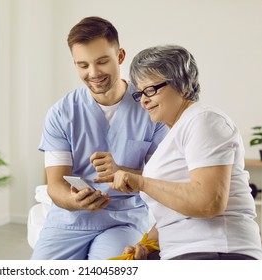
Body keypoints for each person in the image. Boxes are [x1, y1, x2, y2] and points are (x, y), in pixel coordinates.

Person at [95, 45, 262, 260]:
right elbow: (174, 215)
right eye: (139, 93)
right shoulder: (173, 135)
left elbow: (208, 202)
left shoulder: (204, 120)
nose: (144, 100)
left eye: (151, 89)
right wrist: (146, 245)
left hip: (217, 252)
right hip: (187, 252)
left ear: (181, 85)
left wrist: (141, 182)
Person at [31, 16, 168, 260]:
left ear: (120, 56)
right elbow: (55, 185)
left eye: (102, 62)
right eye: (82, 65)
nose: (93, 73)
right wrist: (75, 200)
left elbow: (164, 181)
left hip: (123, 220)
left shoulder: (151, 107)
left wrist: (122, 171)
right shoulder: (61, 113)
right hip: (69, 220)